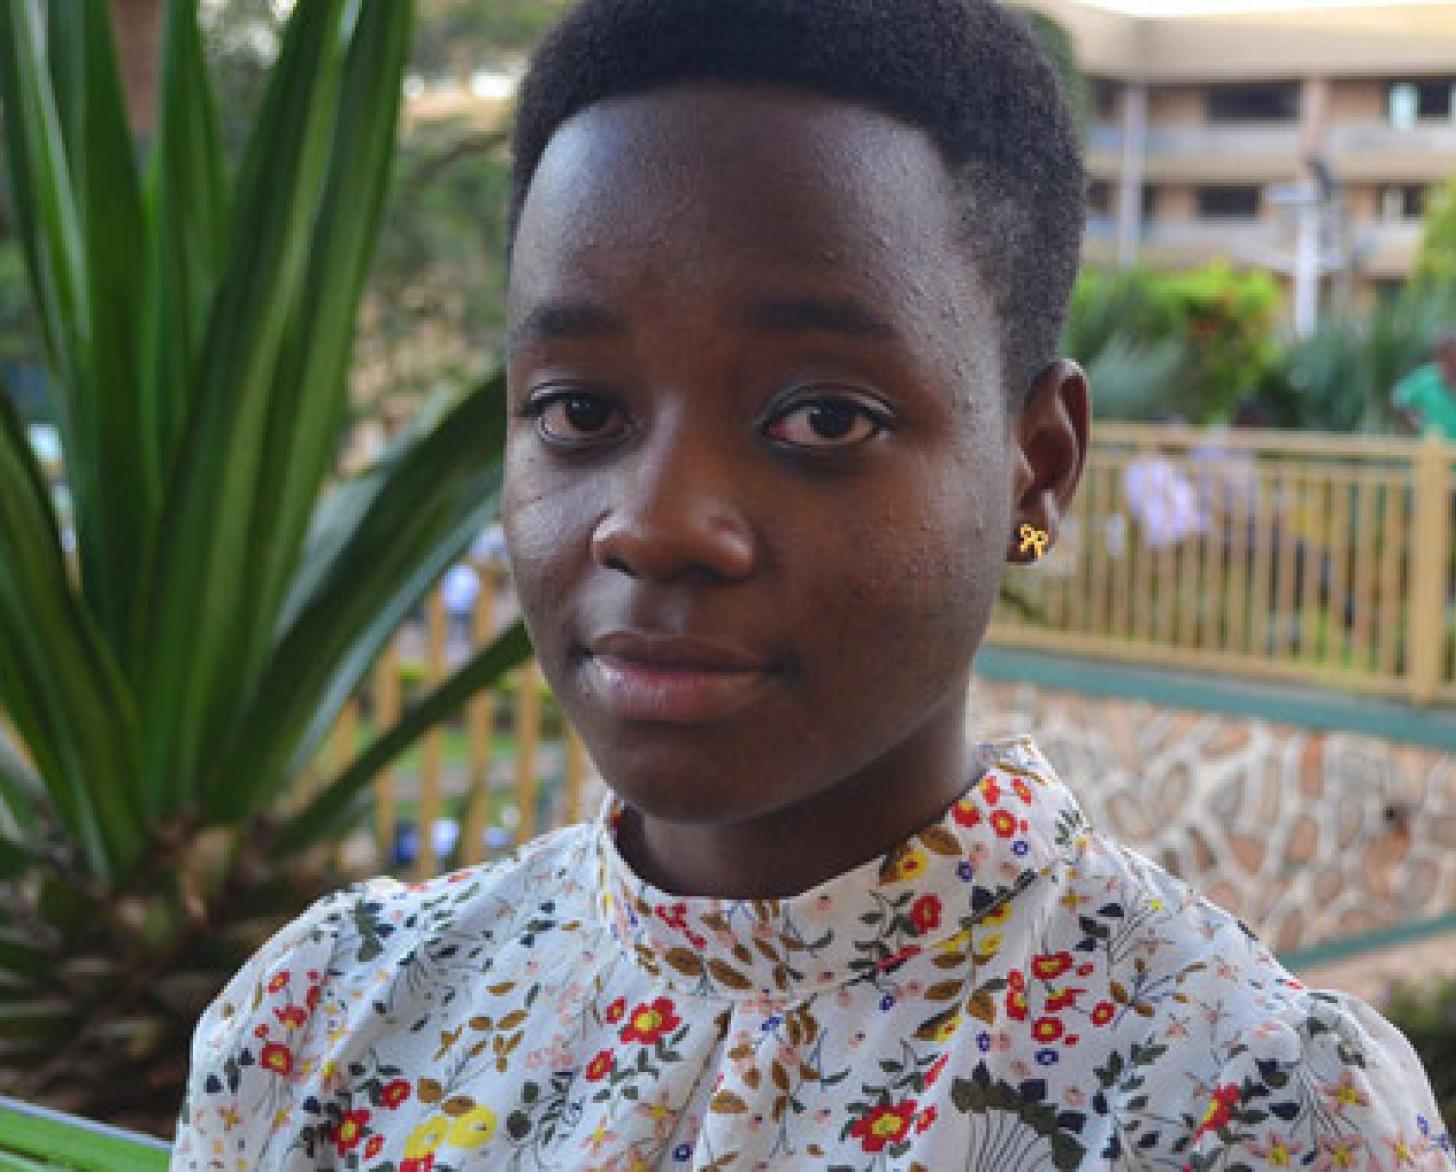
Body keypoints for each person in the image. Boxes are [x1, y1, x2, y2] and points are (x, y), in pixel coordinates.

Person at [172, 2, 1454, 1168]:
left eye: (823, 418)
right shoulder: (330, 1021)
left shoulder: (1251, 1110)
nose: (657, 524)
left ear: (1037, 463)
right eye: (577, 408)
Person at [1394, 329, 1456, 439]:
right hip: (1432, 452)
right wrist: (1412, 419)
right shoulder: (1425, 379)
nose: (1452, 366)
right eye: (1448, 360)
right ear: (1438, 358)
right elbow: (1398, 399)